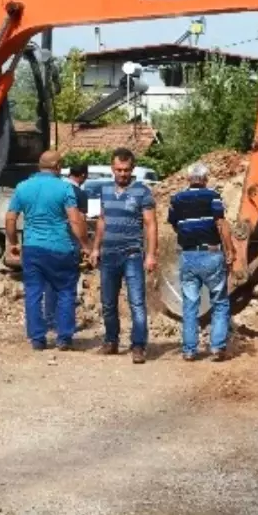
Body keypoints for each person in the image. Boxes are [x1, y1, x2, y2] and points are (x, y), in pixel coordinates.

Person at [5, 150, 89, 352]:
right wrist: (85, 244)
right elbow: (75, 220)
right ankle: (64, 337)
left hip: (32, 248)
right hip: (60, 248)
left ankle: (37, 339)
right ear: (58, 166)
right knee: (66, 291)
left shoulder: (23, 187)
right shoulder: (64, 188)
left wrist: (13, 242)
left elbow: (10, 218)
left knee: (33, 292)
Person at [90, 147, 158, 364]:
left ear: (133, 168)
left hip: (132, 255)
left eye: (126, 170)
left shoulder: (142, 192)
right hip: (109, 255)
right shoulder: (105, 190)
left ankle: (138, 345)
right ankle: (111, 341)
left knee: (137, 302)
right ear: (112, 168)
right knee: (108, 302)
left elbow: (150, 224)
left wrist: (150, 254)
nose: (122, 174)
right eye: (118, 170)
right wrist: (95, 248)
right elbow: (102, 220)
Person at [167, 163, 236, 362]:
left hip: (188, 255)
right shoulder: (213, 196)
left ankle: (189, 350)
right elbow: (221, 224)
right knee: (220, 302)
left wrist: (189, 237)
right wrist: (230, 250)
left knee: (189, 304)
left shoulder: (176, 199)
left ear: (188, 179)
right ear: (205, 179)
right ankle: (217, 348)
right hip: (211, 254)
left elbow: (175, 224)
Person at [40, 164, 90, 328]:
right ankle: (65, 323)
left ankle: (49, 319)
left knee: (49, 284)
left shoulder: (53, 189)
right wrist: (85, 244)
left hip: (48, 242)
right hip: (68, 243)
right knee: (68, 286)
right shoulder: (79, 194)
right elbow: (80, 220)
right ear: (82, 175)